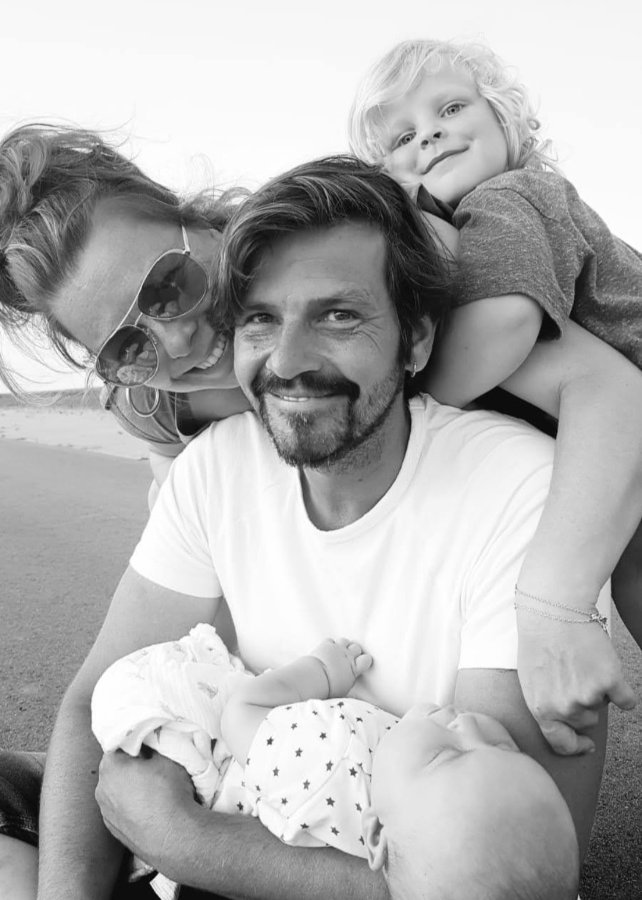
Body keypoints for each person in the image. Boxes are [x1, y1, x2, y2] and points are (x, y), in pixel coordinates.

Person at [0, 156, 606, 900]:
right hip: (237, 793)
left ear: (418, 338)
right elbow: (94, 698)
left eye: (338, 315)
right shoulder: (213, 462)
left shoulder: (516, 483)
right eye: (260, 318)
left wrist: (185, 841)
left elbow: (505, 873)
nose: (286, 361)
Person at [348, 37, 642, 751]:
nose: (431, 135)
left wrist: (415, 387)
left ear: (506, 120)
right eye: (403, 137)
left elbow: (506, 323)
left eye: (451, 108)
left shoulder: (508, 197)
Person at [91, 629, 580, 900]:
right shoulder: (423, 842)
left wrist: (322, 673)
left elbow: (240, 714)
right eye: (503, 746)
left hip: (208, 769)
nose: (468, 722)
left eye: (444, 755)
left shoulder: (329, 757)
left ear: (375, 834)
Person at [0, 124, 251, 489]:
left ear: (203, 227)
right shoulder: (152, 407)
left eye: (170, 284)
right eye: (127, 349)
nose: (177, 343)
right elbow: (166, 460)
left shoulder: (303, 249)